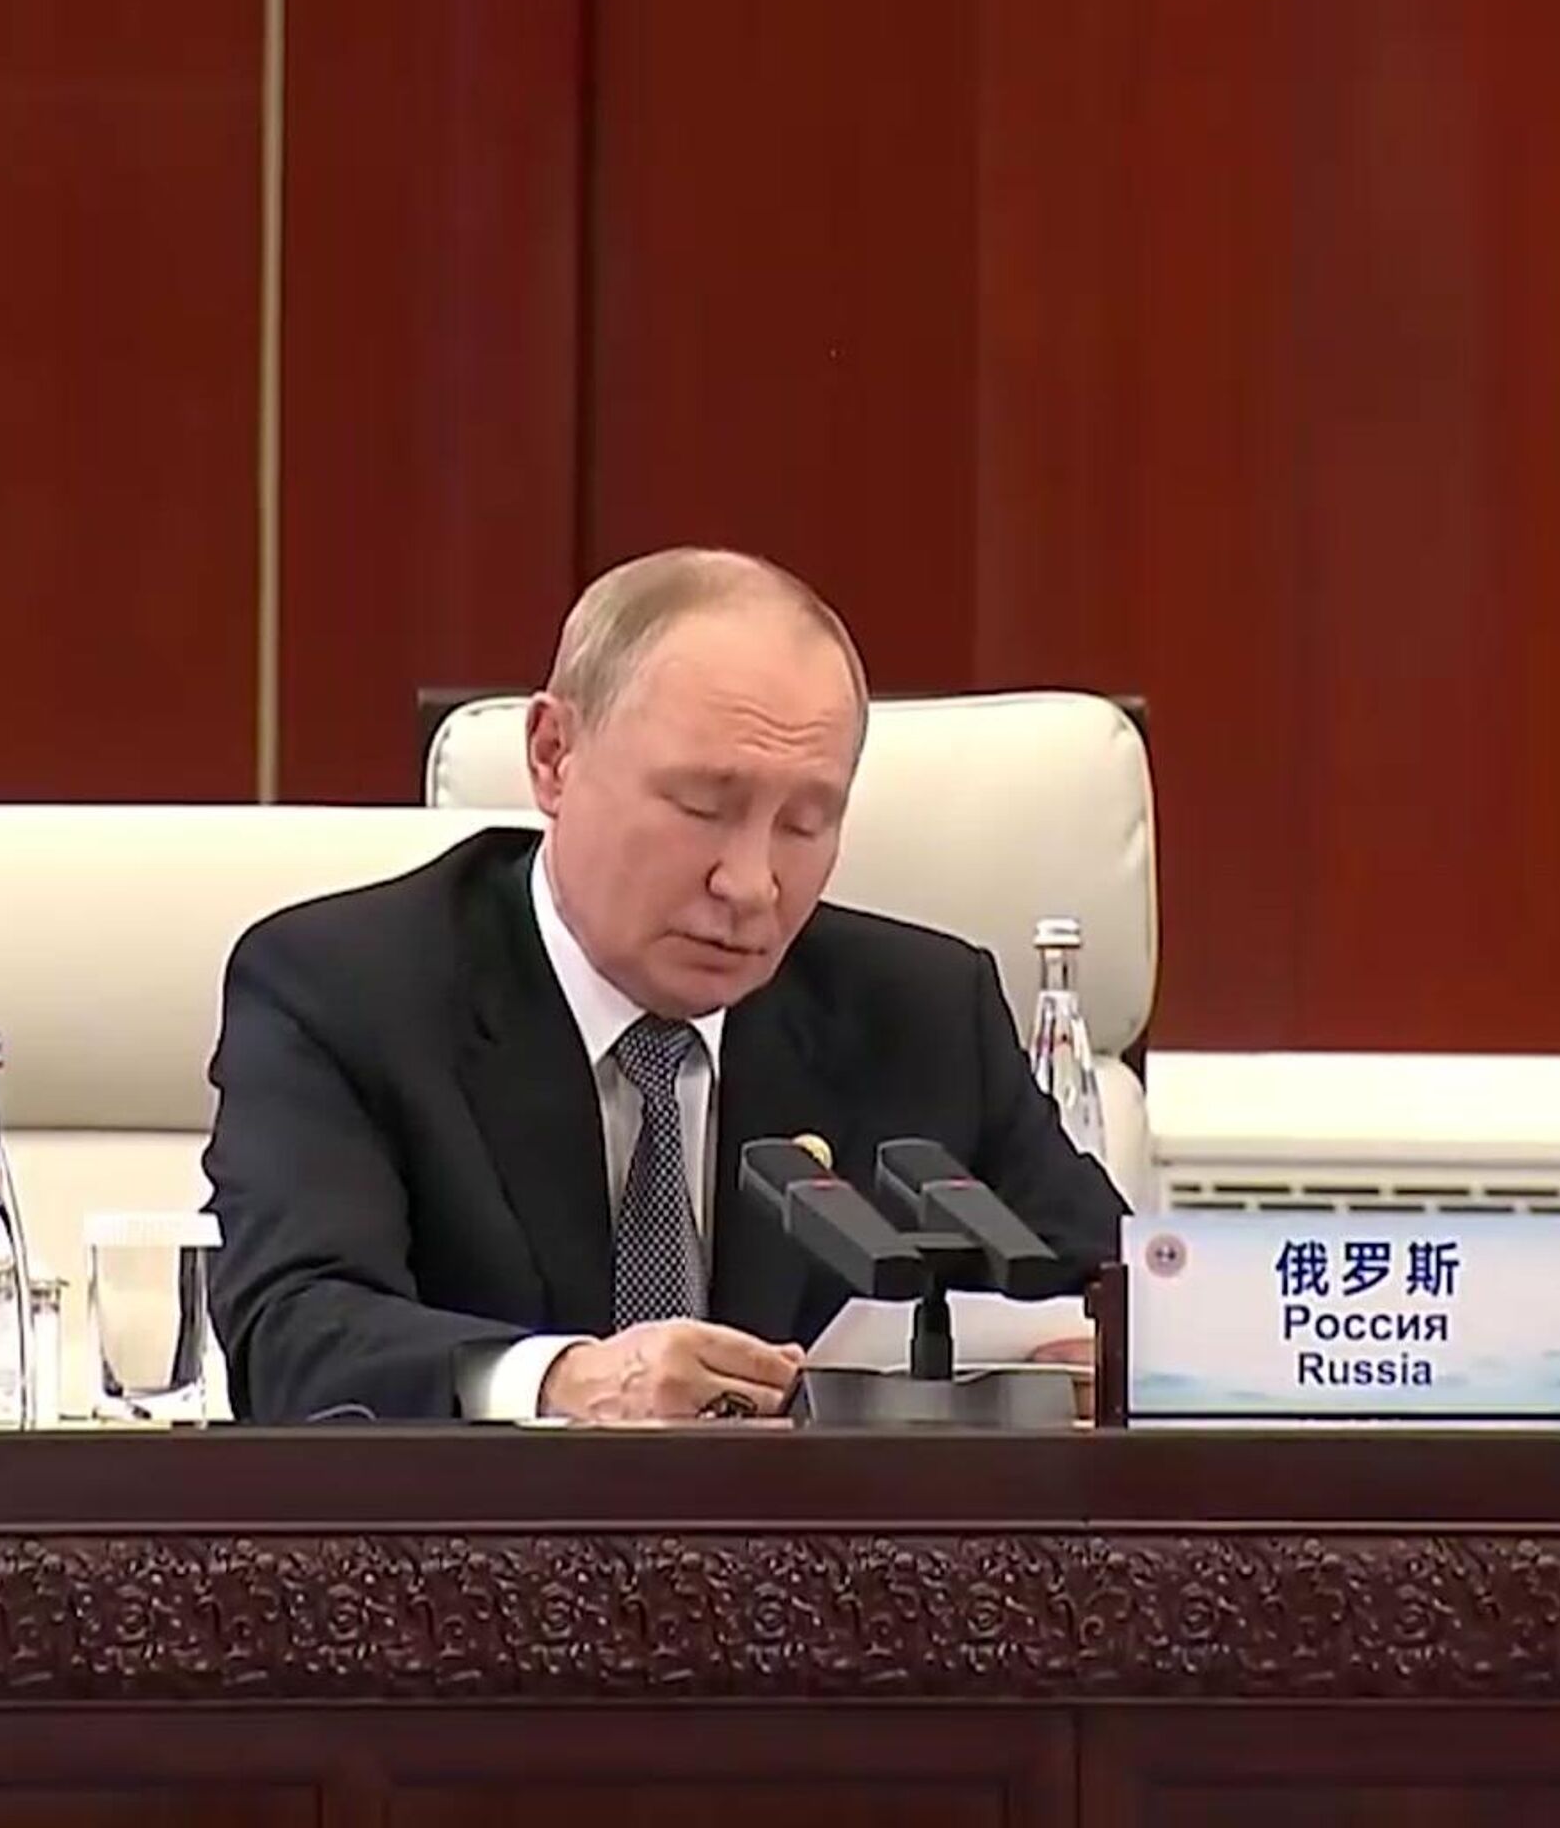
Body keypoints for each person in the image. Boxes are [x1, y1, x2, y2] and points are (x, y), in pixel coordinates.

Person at [204, 548, 1126, 1422]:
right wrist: (564, 1380)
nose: (752, 885)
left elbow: (1131, 1299)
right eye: (702, 808)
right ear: (553, 756)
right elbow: (293, 1337)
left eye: (805, 824)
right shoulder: (345, 992)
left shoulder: (923, 1014)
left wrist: (1103, 1363)